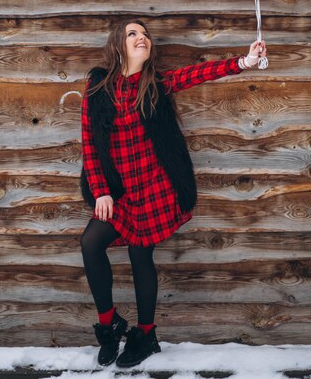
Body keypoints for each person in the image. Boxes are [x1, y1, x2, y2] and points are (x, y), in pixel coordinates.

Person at [80, 19, 267, 368]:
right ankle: (109, 324)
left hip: (154, 187)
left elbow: (198, 74)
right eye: (133, 33)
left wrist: (244, 62)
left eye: (145, 34)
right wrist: (101, 192)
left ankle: (146, 335)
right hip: (117, 192)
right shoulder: (97, 84)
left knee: (140, 255)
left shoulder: (156, 83)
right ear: (117, 44)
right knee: (91, 243)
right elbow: (89, 143)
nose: (142, 38)